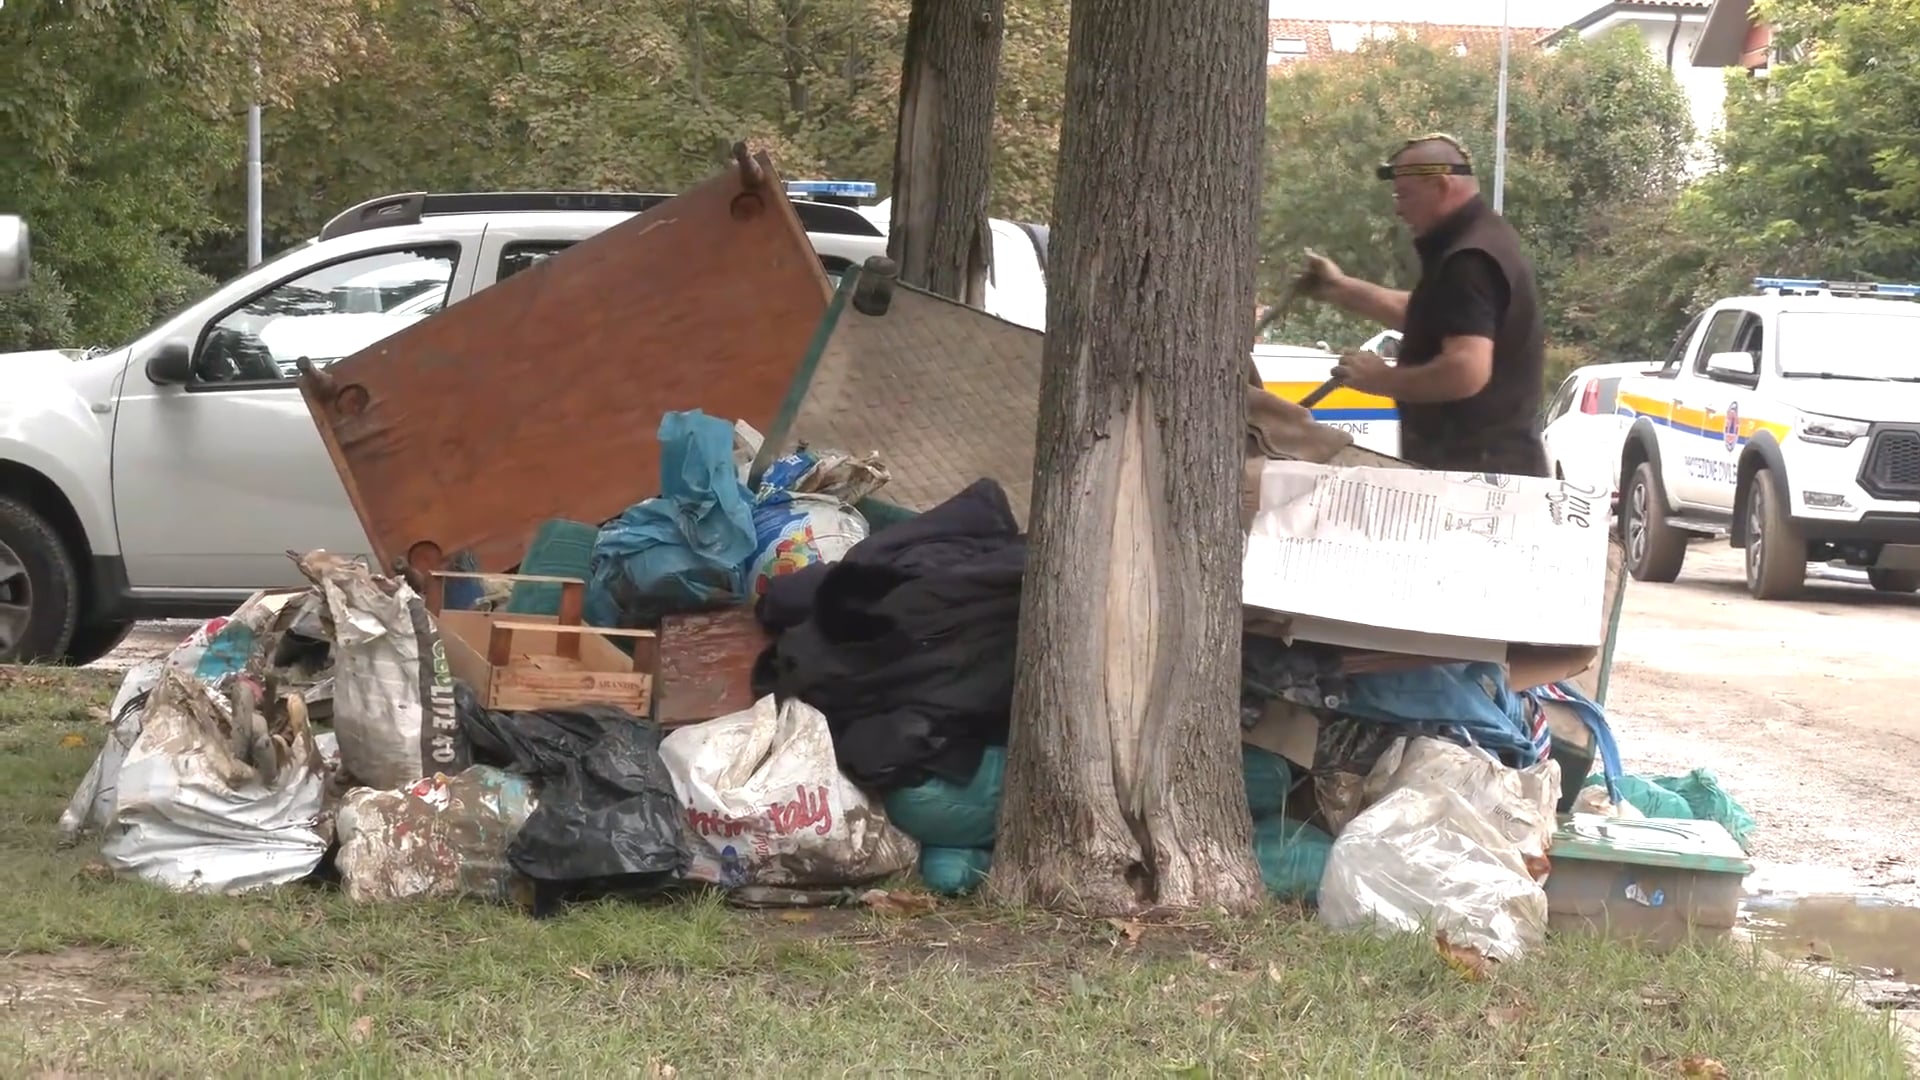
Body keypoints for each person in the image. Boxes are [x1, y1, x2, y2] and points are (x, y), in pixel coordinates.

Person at [1295, 133, 1549, 476]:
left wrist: (1381, 380)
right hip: (1486, 469)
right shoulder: (1482, 239)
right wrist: (1337, 288)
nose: (1398, 208)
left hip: (1477, 475)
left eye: (1405, 195)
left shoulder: (1469, 259)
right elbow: (1440, 318)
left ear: (1442, 186)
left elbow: (1466, 369)